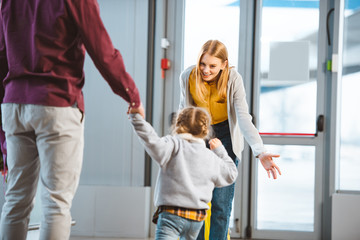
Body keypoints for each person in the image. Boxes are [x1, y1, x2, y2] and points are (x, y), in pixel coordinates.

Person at [0, 0, 144, 239]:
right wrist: (132, 95)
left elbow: (2, 57)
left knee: (15, 200)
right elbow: (102, 50)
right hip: (56, 102)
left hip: (14, 105)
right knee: (56, 203)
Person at [179, 40, 281, 240]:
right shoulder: (187, 76)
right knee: (197, 203)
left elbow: (243, 118)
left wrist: (260, 151)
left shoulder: (234, 79)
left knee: (220, 205)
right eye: (202, 63)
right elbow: (185, 113)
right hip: (200, 136)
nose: (206, 70)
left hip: (226, 137)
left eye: (212, 66)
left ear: (224, 64)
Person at [128, 106, 238, 240]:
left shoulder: (172, 145)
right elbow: (231, 174)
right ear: (205, 130)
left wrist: (136, 118)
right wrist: (220, 151)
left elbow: (151, 140)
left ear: (178, 124)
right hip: (196, 219)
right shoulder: (210, 157)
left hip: (172, 214)